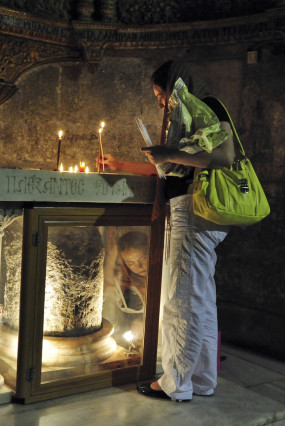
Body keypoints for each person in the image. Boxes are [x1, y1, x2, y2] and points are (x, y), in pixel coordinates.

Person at [97, 60, 235, 402]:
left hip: (195, 209)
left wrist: (168, 153)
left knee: (181, 301)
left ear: (177, 85)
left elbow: (224, 156)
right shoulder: (190, 114)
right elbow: (171, 168)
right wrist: (128, 163)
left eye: (161, 95)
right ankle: (202, 380)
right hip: (196, 210)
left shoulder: (206, 106)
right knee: (201, 299)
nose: (161, 104)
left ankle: (175, 383)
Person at [102, 229, 149, 349]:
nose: (139, 267)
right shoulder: (125, 280)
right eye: (131, 263)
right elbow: (108, 288)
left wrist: (141, 321)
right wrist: (113, 254)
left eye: (143, 259)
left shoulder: (162, 276)